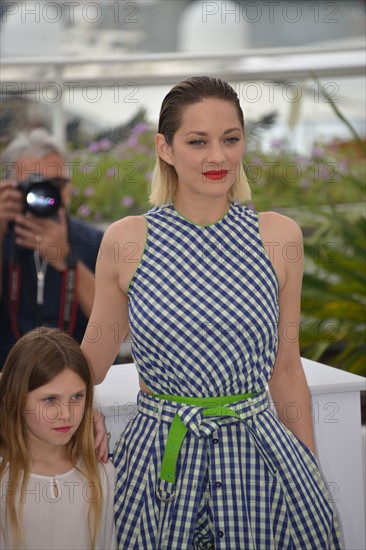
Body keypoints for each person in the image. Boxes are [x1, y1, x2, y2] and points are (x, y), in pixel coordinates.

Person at [81, 76, 343, 549]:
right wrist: (81, 409)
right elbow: (90, 364)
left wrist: (309, 471)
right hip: (160, 466)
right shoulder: (127, 240)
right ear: (165, 147)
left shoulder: (279, 237)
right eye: (197, 142)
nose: (217, 157)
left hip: (263, 463)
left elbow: (285, 370)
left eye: (230, 139)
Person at [0, 326, 117, 549]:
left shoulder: (101, 473)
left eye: (76, 397)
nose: (66, 414)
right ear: (12, 402)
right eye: (50, 399)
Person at [0, 128, 103, 370]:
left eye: (56, 183)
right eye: (34, 183)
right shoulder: (4, 235)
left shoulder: (93, 241)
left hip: (75, 377)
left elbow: (113, 322)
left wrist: (66, 259)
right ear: (12, 187)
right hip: (8, 377)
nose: (47, 193)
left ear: (68, 186)